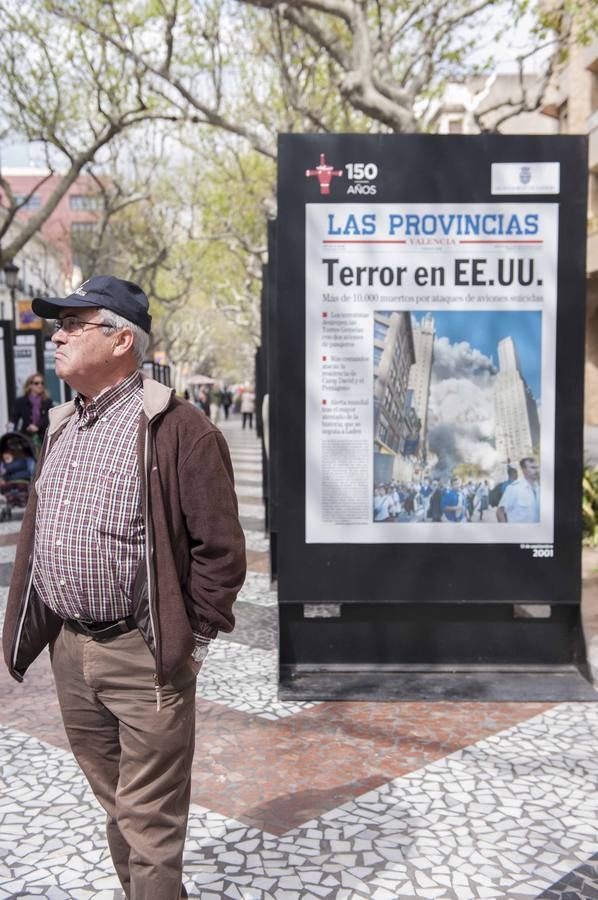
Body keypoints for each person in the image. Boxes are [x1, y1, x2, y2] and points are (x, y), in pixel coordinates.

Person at [2, 275, 246, 900]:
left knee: (151, 823)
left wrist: (187, 644)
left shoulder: (179, 429)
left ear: (119, 340)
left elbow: (220, 552)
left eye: (72, 325)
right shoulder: (61, 427)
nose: (55, 336)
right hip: (71, 656)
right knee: (119, 807)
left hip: (145, 655)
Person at [12, 372, 53, 453]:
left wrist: (37, 426)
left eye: (42, 383)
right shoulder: (20, 402)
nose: (40, 385)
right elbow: (14, 419)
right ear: (30, 385)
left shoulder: (47, 401)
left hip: (43, 438)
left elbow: (49, 417)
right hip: (25, 438)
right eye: (36, 383)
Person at [497, 457, 540, 523]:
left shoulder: (539, 488)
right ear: (524, 470)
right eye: (532, 468)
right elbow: (500, 511)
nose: (537, 470)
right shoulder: (514, 488)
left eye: (537, 467)